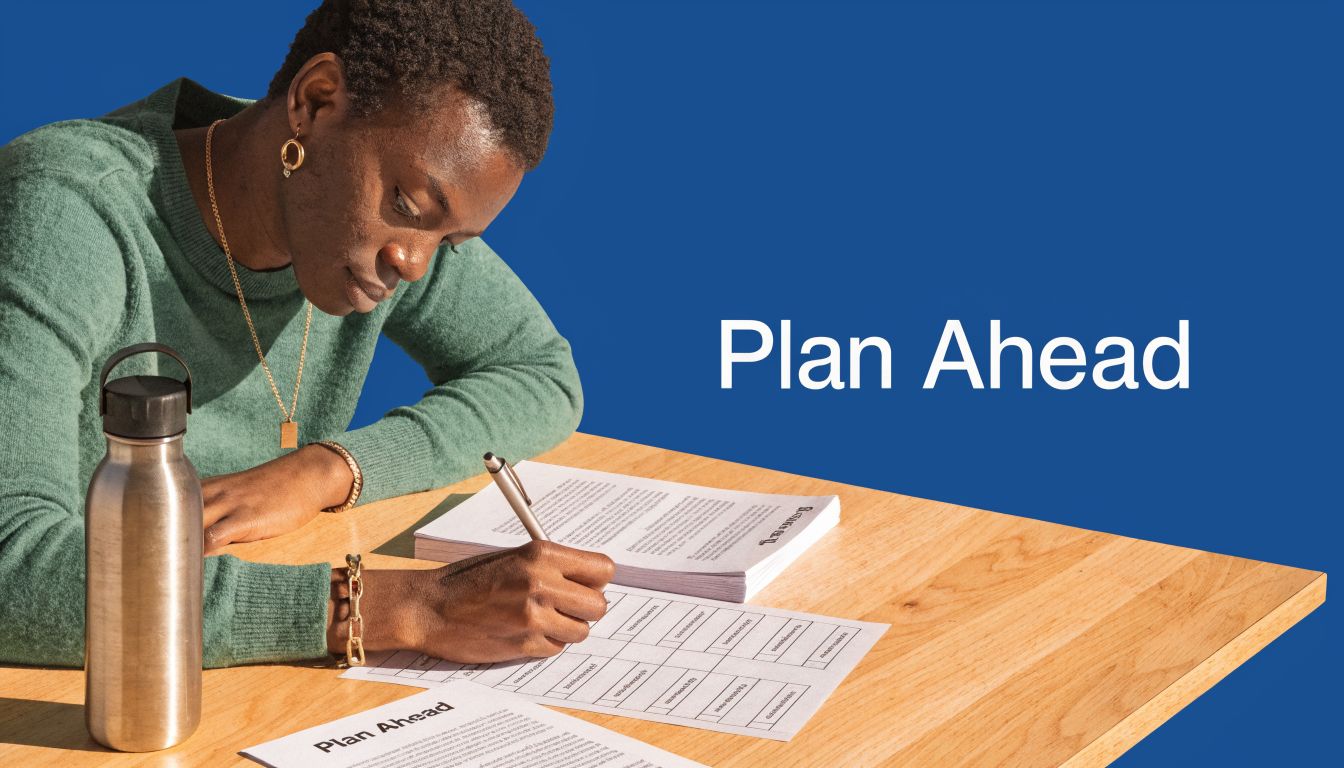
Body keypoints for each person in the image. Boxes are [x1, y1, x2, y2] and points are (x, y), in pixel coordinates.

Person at [0, 0, 614, 669]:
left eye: (451, 241)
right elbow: (12, 570)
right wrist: (395, 609)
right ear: (316, 102)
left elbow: (540, 374)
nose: (414, 263)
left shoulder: (380, 221)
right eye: (407, 205)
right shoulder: (68, 212)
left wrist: (327, 470)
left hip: (235, 679)